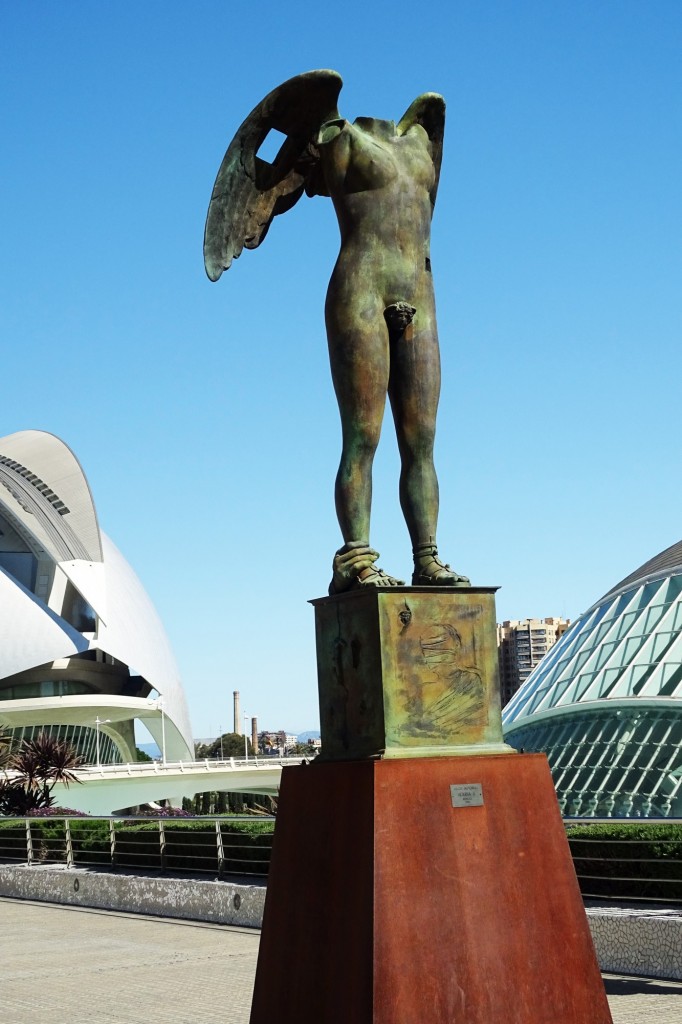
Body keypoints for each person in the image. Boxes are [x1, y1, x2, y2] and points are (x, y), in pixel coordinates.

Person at [318, 111, 469, 593]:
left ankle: (428, 558)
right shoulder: (338, 133)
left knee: (422, 442)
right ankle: (357, 559)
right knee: (363, 436)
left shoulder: (424, 135)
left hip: (419, 292)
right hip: (362, 289)